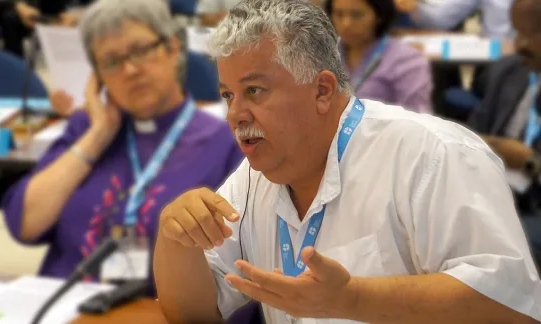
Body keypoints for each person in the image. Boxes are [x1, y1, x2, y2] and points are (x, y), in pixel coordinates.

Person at [153, 0, 541, 323]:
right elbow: (194, 314)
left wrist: (352, 298)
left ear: (322, 90)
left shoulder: (432, 154)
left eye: (254, 90)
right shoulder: (256, 176)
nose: (235, 114)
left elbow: (512, 304)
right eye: (227, 96)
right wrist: (176, 240)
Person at [2, 0, 243, 280]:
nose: (129, 70)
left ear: (173, 49)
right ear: (98, 78)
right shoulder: (85, 129)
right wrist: (97, 136)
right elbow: (24, 224)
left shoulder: (226, 143)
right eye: (112, 61)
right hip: (63, 306)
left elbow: (236, 269)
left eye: (140, 51)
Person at [467, 0, 541, 264]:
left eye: (534, 33)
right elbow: (473, 132)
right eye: (517, 31)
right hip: (489, 186)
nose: (520, 44)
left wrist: (530, 162)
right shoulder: (510, 70)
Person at [325, 0, 433, 113]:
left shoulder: (407, 61)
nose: (346, 23)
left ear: (379, 16)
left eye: (357, 15)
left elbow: (418, 121)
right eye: (338, 14)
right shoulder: (324, 53)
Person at [0, 0, 93, 57]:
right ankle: (15, 69)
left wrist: (70, 15)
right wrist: (19, 6)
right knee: (10, 17)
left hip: (45, 15)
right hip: (13, 14)